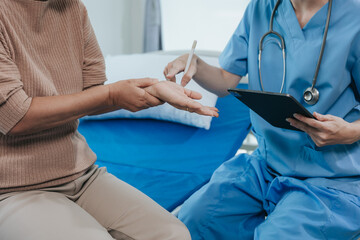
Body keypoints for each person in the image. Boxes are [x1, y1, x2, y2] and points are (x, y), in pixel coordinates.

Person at [0, 0, 219, 239]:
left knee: (174, 233)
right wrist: (113, 94)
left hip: (80, 175)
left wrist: (150, 91)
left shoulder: (74, 9)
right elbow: (15, 116)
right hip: (13, 188)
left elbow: (91, 93)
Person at [164, 0, 360, 239]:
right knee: (194, 219)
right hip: (266, 165)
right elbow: (226, 81)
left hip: (333, 176)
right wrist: (196, 64)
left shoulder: (354, 16)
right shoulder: (261, 8)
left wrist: (351, 131)